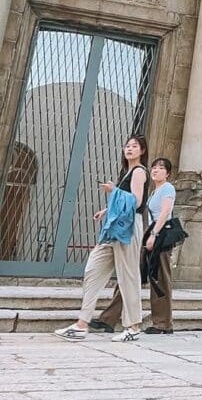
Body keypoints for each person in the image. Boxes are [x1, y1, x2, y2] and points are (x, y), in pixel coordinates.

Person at [54, 135, 148, 343]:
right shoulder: (128, 173)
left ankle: (133, 326)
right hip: (116, 228)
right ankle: (82, 324)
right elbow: (126, 199)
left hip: (130, 228)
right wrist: (106, 210)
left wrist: (113, 191)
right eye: (127, 146)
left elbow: (137, 201)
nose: (129, 149)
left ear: (142, 151)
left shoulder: (139, 172)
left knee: (128, 275)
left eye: (135, 146)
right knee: (93, 269)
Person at [90, 157, 177, 335]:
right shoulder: (153, 192)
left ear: (167, 173)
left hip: (160, 236)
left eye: (160, 168)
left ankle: (163, 323)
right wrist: (106, 210)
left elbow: (165, 212)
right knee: (130, 274)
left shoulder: (168, 188)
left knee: (160, 279)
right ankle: (109, 319)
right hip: (148, 236)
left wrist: (153, 235)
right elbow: (133, 203)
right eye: (153, 167)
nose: (155, 170)